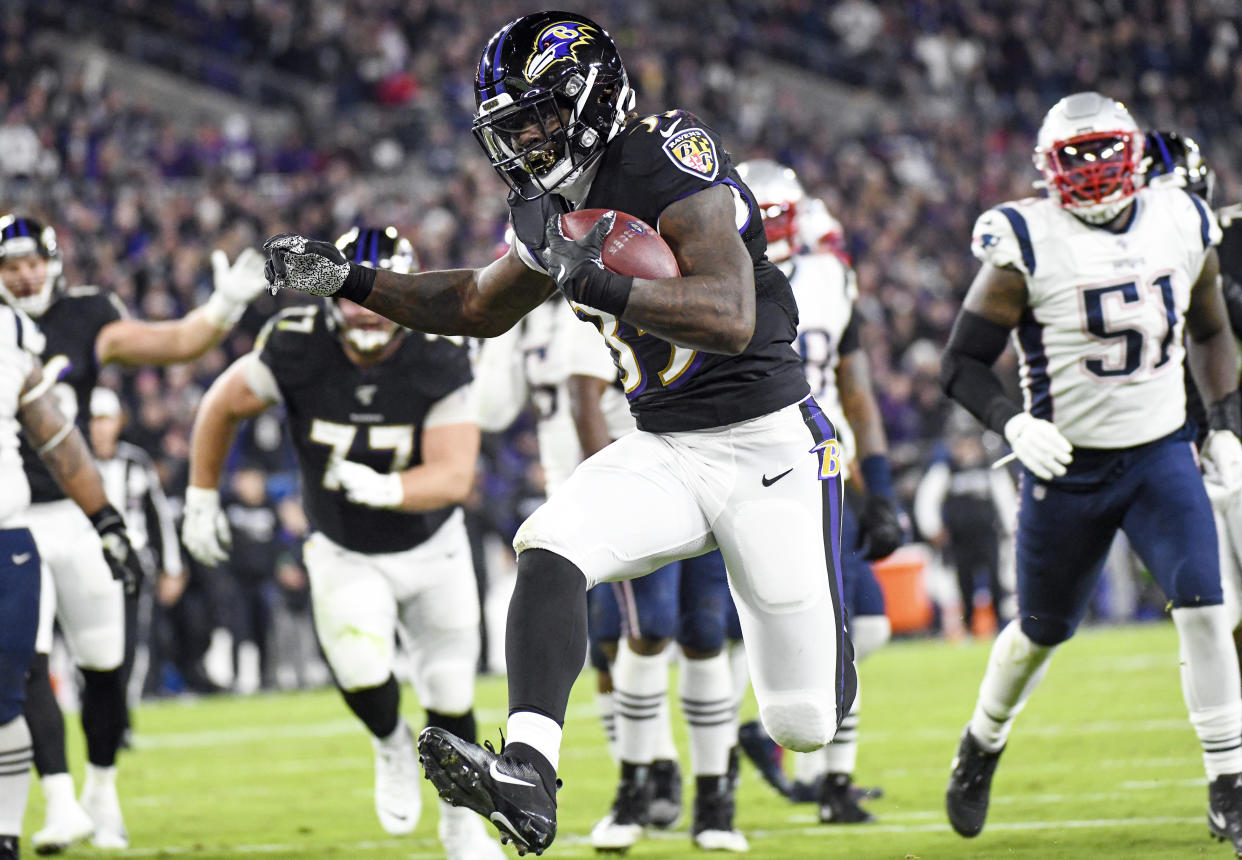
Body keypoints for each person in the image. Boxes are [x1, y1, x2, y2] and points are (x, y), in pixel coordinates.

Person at [263, 13, 855, 855]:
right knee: (549, 542)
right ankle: (531, 776)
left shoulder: (662, 155)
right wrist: (353, 278)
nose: (526, 141)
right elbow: (474, 305)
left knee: (805, 721)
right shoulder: (548, 205)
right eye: (512, 126)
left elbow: (728, 316)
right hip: (667, 446)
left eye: (539, 116)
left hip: (769, 445)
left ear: (592, 97)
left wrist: (599, 283)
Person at [937, 92, 1242, 852]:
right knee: (1041, 631)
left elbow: (1211, 331)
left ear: (1134, 154)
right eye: (1076, 158)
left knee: (1206, 607)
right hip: (1067, 464)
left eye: (1103, 152)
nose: (1094, 172)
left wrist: (1224, 423)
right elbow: (961, 363)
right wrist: (1013, 422)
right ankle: (983, 741)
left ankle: (1229, 787)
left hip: (1160, 451)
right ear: (1048, 168)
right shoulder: (1027, 239)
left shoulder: (1182, 220)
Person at [183, 226, 504, 860]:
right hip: (344, 547)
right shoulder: (297, 345)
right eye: (352, 293)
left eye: (376, 294)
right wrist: (200, 494)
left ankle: (461, 821)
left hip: (431, 546)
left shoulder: (439, 351)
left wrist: (388, 490)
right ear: (330, 292)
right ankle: (390, 743)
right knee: (360, 671)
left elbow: (455, 473)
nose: (363, 309)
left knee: (451, 695)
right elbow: (222, 403)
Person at [0, 213, 266, 852]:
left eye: (31, 261)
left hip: (79, 508)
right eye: (10, 267)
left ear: (53, 260)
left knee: (105, 665)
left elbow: (177, 341)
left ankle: (100, 786)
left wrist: (223, 309)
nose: (24, 274)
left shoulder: (89, 315)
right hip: (16, 519)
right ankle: (59, 799)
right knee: (27, 664)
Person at [732, 159, 903, 824]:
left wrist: (879, 489)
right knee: (824, 624)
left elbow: (853, 388)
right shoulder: (717, 277)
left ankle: (790, 747)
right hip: (758, 466)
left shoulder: (832, 276)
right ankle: (830, 782)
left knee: (866, 624)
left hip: (831, 465)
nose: (770, 230)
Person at [0, 304, 143, 860]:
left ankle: (11, 835)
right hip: (19, 531)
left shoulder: (10, 330)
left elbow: (54, 433)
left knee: (10, 694)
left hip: (10, 532)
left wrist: (105, 517)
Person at [1144, 129, 1242, 678]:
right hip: (1172, 447)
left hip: (1231, 434)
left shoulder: (1227, 244)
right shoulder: (1106, 258)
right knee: (1213, 611)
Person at [87, 388, 185, 724]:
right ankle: (98, 713)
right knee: (92, 644)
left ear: (119, 422)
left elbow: (158, 516)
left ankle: (121, 716)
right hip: (86, 562)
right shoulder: (75, 463)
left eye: (106, 419)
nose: (100, 428)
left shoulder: (136, 461)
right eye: (94, 420)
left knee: (132, 641)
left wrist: (172, 567)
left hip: (132, 562)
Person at [913, 422, 1018, 635]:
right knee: (964, 582)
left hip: (988, 534)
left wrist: (1010, 526)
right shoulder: (946, 470)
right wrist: (932, 528)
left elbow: (1006, 497)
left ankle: (1000, 625)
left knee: (996, 580)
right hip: (960, 538)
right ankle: (969, 625)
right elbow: (927, 499)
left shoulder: (989, 468)